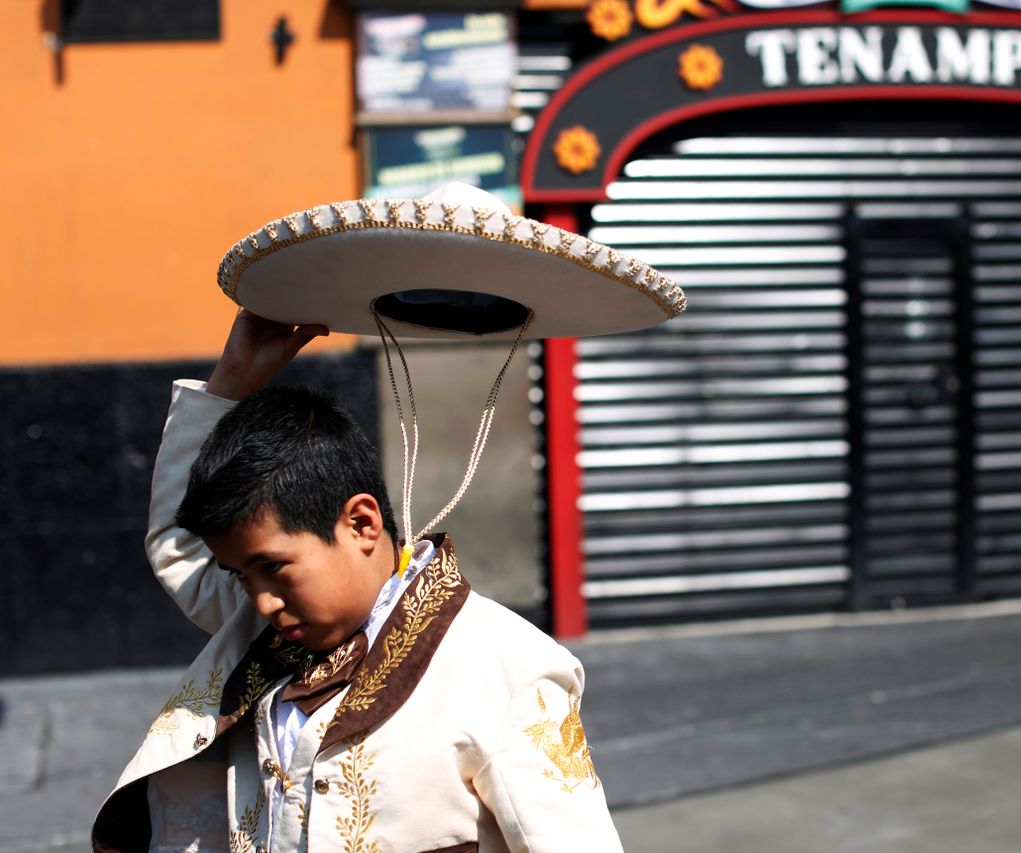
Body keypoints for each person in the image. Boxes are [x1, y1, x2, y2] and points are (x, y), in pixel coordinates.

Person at [92, 309, 623, 853]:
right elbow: (178, 544)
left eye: (274, 567)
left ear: (362, 524)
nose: (262, 600)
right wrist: (229, 382)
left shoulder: (508, 668)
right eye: (239, 576)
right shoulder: (266, 625)